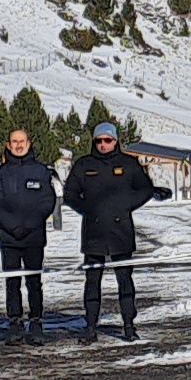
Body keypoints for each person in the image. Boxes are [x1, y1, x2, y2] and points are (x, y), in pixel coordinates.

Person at [60, 123, 170, 343]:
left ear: (115, 141)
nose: (103, 145)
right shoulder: (84, 164)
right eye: (99, 141)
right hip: (94, 231)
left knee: (125, 280)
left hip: (121, 231)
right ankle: (90, 327)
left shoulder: (128, 164)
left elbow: (145, 189)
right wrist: (87, 209)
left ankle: (129, 326)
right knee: (92, 281)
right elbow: (70, 193)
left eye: (107, 140)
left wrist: (125, 206)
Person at [0, 127, 60, 344]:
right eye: (14, 141)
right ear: (8, 145)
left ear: (29, 143)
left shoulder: (41, 171)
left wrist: (30, 224)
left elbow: (47, 201)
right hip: (9, 237)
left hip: (33, 236)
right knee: (12, 282)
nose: (18, 145)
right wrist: (12, 226)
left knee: (34, 282)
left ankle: (36, 322)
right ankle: (15, 323)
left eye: (22, 141)